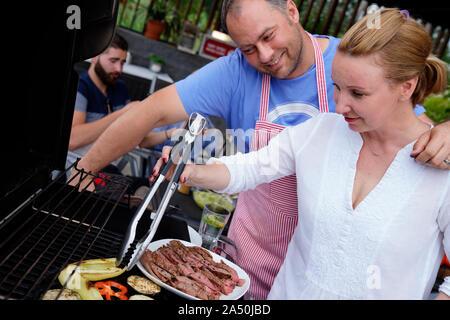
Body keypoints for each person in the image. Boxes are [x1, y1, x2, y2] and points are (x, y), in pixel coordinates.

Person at [73, 0, 450, 299]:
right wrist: (187, 170)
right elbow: (250, 166)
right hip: (246, 272)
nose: (340, 104)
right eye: (337, 89)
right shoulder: (321, 129)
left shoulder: (434, 159)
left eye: (357, 93)